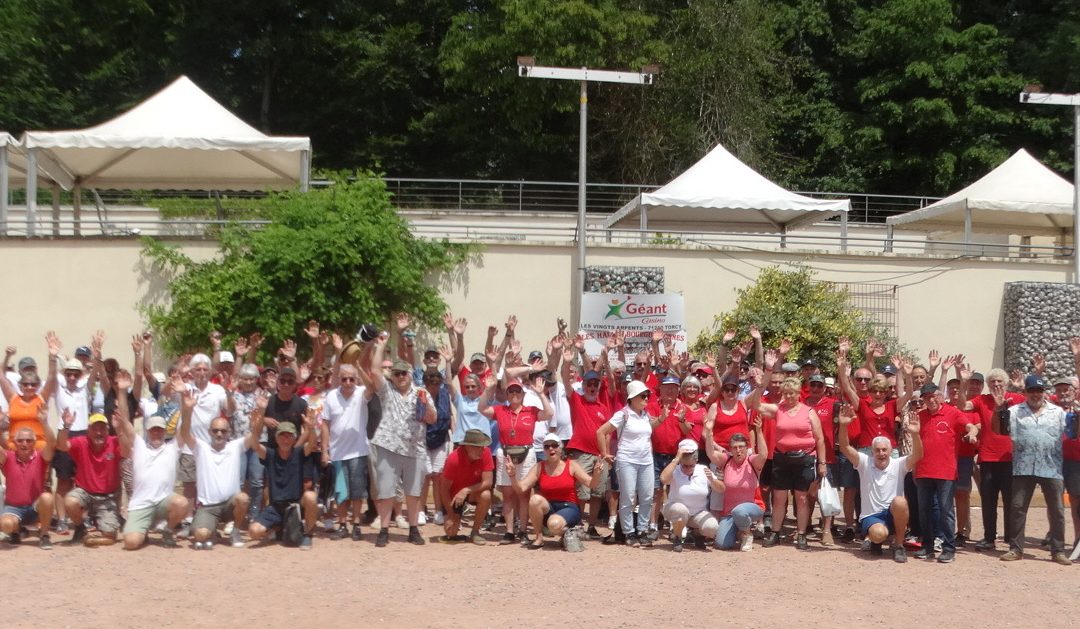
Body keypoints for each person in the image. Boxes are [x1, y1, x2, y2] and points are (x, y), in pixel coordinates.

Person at [993, 375, 1071, 565]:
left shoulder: (1058, 412)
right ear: (1025, 392)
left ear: (1044, 392)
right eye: (1031, 390)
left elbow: (1073, 433)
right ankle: (1016, 549)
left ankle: (1058, 551)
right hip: (1023, 467)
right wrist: (997, 409)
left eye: (1039, 390)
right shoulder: (1014, 411)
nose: (1035, 394)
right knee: (1018, 508)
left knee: (1057, 510)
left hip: (1051, 467)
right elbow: (998, 430)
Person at [368, 337, 436, 548]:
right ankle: (384, 530)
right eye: (396, 374)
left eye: (403, 373)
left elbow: (432, 419)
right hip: (389, 446)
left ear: (410, 374)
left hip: (414, 448)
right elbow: (375, 371)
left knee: (414, 491)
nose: (400, 377)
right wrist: (379, 346)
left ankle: (414, 529)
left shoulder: (421, 393)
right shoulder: (387, 392)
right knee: (386, 490)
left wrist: (427, 407)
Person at [838, 402, 922, 563]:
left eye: (884, 450)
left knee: (900, 502)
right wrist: (843, 426)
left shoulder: (899, 464)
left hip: (892, 513)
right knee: (878, 534)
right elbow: (845, 447)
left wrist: (916, 435)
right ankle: (876, 540)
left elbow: (918, 455)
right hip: (872, 516)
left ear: (891, 451)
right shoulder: (864, 462)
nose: (881, 453)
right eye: (877, 450)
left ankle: (898, 545)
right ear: (872, 451)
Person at [116, 365, 188, 550]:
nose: (156, 433)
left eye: (159, 430)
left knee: (181, 503)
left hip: (163, 502)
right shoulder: (139, 445)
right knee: (131, 543)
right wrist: (123, 392)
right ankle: (144, 529)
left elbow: (185, 428)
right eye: (153, 429)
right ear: (148, 430)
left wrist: (185, 402)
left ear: (165, 432)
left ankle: (168, 530)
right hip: (141, 504)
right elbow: (124, 420)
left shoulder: (172, 448)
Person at [178, 377, 254, 550]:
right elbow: (184, 431)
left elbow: (254, 437)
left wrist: (262, 412)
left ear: (229, 433)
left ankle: (235, 531)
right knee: (200, 536)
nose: (219, 434)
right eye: (215, 430)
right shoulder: (201, 448)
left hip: (230, 504)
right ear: (209, 432)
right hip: (208, 507)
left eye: (223, 431)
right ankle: (208, 530)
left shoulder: (235, 446)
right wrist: (188, 410)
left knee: (242, 498)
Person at [478, 375, 553, 544]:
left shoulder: (531, 410)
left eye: (517, 390)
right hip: (506, 454)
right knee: (508, 495)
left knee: (524, 495)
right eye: (510, 391)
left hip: (527, 453)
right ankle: (510, 531)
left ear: (523, 394)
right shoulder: (500, 410)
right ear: (506, 394)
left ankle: (523, 531)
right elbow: (482, 408)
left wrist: (541, 394)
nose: (514, 394)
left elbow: (549, 413)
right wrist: (488, 390)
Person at [755, 377, 826, 550]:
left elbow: (820, 438)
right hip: (782, 458)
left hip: (805, 458)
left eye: (792, 393)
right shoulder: (778, 409)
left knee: (801, 498)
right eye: (786, 393)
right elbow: (754, 404)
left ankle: (801, 534)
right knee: (779, 497)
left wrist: (822, 463)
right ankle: (775, 532)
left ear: (798, 393)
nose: (789, 396)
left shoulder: (809, 411)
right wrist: (760, 385)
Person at [911, 383, 978, 563]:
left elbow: (971, 426)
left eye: (933, 396)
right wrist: (915, 467)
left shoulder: (952, 413)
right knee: (924, 510)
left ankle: (949, 548)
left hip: (946, 471)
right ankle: (927, 546)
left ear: (939, 396)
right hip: (924, 471)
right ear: (923, 399)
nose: (930, 400)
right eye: (926, 397)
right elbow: (916, 444)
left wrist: (972, 433)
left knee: (946, 510)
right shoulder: (919, 416)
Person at [506, 433, 603, 549]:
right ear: (544, 450)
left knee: (554, 524)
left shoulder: (571, 465)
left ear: (560, 448)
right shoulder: (539, 467)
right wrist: (512, 475)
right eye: (547, 446)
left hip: (569, 507)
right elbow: (521, 488)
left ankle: (570, 531)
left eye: (554, 445)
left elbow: (591, 484)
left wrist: (597, 474)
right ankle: (539, 538)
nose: (551, 448)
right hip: (550, 508)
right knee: (535, 499)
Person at [597, 380, 661, 547]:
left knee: (647, 496)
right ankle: (628, 532)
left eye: (647, 395)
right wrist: (604, 453)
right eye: (642, 395)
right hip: (627, 460)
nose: (646, 398)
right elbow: (601, 431)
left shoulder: (645, 415)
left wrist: (661, 419)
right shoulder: (623, 414)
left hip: (646, 460)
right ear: (632, 398)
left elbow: (650, 428)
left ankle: (641, 530)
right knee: (628, 497)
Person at [56, 406, 130, 546]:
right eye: (94, 429)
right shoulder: (81, 442)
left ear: (108, 430)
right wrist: (65, 426)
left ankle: (109, 521)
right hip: (85, 492)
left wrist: (119, 429)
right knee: (70, 501)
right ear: (88, 430)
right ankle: (80, 528)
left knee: (109, 535)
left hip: (107, 497)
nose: (98, 432)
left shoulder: (114, 441)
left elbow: (126, 452)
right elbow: (61, 446)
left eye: (102, 429)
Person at [249, 410, 320, 550]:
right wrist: (256, 428)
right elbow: (255, 445)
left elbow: (311, 444)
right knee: (254, 532)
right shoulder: (270, 454)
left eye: (289, 436)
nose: (285, 440)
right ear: (276, 438)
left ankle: (308, 534)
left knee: (311, 496)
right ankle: (279, 527)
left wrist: (311, 428)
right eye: (282, 436)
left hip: (296, 505)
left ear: (294, 439)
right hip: (276, 507)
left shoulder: (299, 452)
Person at [320, 363, 374, 541]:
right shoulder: (330, 397)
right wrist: (324, 451)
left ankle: (356, 525)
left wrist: (360, 367)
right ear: (339, 380)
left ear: (356, 379)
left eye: (352, 378)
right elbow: (325, 424)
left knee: (358, 492)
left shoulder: (361, 393)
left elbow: (372, 387)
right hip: (337, 453)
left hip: (358, 451)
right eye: (344, 379)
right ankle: (342, 524)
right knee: (340, 492)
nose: (348, 382)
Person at [177, 353, 230, 533]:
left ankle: (209, 520)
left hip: (211, 447)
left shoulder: (218, 390)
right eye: (198, 369)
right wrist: (176, 375)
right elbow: (165, 393)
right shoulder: (185, 388)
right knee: (190, 485)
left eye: (205, 369)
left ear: (210, 372)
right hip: (189, 445)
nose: (201, 372)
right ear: (192, 371)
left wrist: (229, 391)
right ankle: (187, 521)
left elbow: (230, 410)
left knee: (210, 484)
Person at [0, 405, 57, 548]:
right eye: (20, 440)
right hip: (14, 508)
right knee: (6, 525)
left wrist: (44, 423)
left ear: (34, 443)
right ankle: (16, 530)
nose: (24, 443)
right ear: (15, 443)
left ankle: (44, 535)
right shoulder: (8, 457)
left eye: (28, 440)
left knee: (47, 497)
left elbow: (52, 443)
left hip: (34, 507)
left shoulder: (40, 457)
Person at [707, 424, 768, 551]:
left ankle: (747, 534)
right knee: (722, 544)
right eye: (735, 448)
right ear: (730, 449)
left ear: (747, 448)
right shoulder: (726, 461)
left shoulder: (752, 461)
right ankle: (739, 532)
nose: (738, 450)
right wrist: (708, 433)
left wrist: (759, 431)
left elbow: (764, 455)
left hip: (754, 507)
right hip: (730, 512)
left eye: (741, 447)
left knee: (739, 511)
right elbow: (711, 454)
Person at [660, 439, 722, 552]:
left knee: (712, 528)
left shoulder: (703, 469)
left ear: (696, 461)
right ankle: (677, 537)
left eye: (691, 466)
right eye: (685, 466)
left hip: (697, 512)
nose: (688, 469)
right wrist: (676, 459)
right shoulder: (675, 469)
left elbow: (721, 489)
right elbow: (664, 479)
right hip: (675, 510)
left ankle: (697, 534)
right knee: (681, 509)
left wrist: (712, 480)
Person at [437, 429, 495, 545]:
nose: (481, 450)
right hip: (453, 495)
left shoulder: (486, 453)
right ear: (467, 446)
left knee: (486, 495)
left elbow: (488, 482)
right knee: (451, 532)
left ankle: (475, 532)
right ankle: (455, 518)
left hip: (473, 492)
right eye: (477, 447)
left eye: (482, 446)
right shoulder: (453, 459)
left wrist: (466, 490)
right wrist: (451, 515)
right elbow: (443, 489)